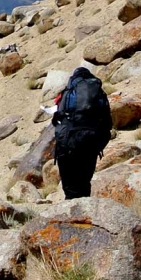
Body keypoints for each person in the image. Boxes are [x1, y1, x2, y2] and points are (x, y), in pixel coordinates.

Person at [51, 67, 112, 199]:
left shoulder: (67, 93)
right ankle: (84, 214)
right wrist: (98, 145)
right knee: (84, 185)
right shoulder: (98, 93)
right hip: (89, 144)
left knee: (70, 190)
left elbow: (56, 121)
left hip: (66, 144)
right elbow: (108, 125)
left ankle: (72, 215)